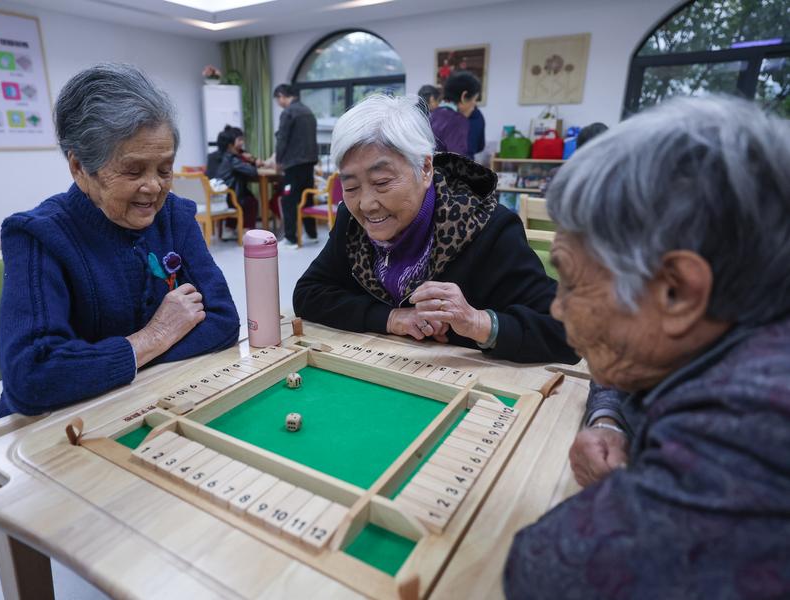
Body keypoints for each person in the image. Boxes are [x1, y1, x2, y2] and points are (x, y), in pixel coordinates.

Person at [504, 96, 790, 598]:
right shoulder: (732, 326)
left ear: (676, 291)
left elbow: (542, 571)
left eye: (570, 280)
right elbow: (631, 363)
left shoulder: (755, 421)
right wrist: (608, 418)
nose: (556, 307)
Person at [0, 63, 240, 418]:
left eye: (164, 169)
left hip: (147, 403)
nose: (154, 187)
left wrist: (102, 365)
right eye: (133, 170)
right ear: (79, 167)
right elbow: (32, 376)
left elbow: (222, 320)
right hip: (56, 425)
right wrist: (152, 338)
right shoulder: (38, 236)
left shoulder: (173, 216)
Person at [293, 95, 577, 365]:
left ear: (425, 169)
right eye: (351, 187)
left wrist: (478, 323)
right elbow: (309, 293)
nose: (366, 205)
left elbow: (568, 331)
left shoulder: (487, 227)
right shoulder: (351, 221)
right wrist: (391, 318)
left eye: (381, 182)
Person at [273, 83, 318, 248]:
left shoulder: (288, 112)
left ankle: (291, 239)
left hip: (293, 164)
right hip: (309, 162)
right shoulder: (308, 111)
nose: (279, 103)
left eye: (278, 100)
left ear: (281, 95)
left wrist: (278, 161)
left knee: (288, 200)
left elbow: (282, 139)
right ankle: (312, 234)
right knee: (307, 198)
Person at [215, 125, 260, 232]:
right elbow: (252, 172)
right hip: (230, 195)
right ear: (230, 145)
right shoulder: (232, 159)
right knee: (250, 201)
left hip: (226, 194)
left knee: (248, 196)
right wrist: (254, 162)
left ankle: (230, 228)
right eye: (239, 140)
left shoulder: (227, 156)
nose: (242, 143)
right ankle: (246, 230)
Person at [430, 70, 480, 156]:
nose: (475, 105)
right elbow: (458, 163)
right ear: (464, 96)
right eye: (475, 99)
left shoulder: (433, 114)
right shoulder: (458, 121)